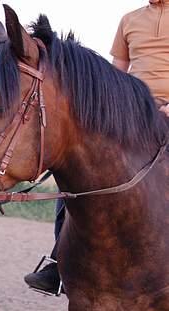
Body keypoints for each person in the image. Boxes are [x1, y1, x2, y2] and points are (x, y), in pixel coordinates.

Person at [24, 0, 169, 295]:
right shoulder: (129, 20)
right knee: (80, 171)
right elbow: (119, 70)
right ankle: (58, 263)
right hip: (136, 115)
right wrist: (121, 106)